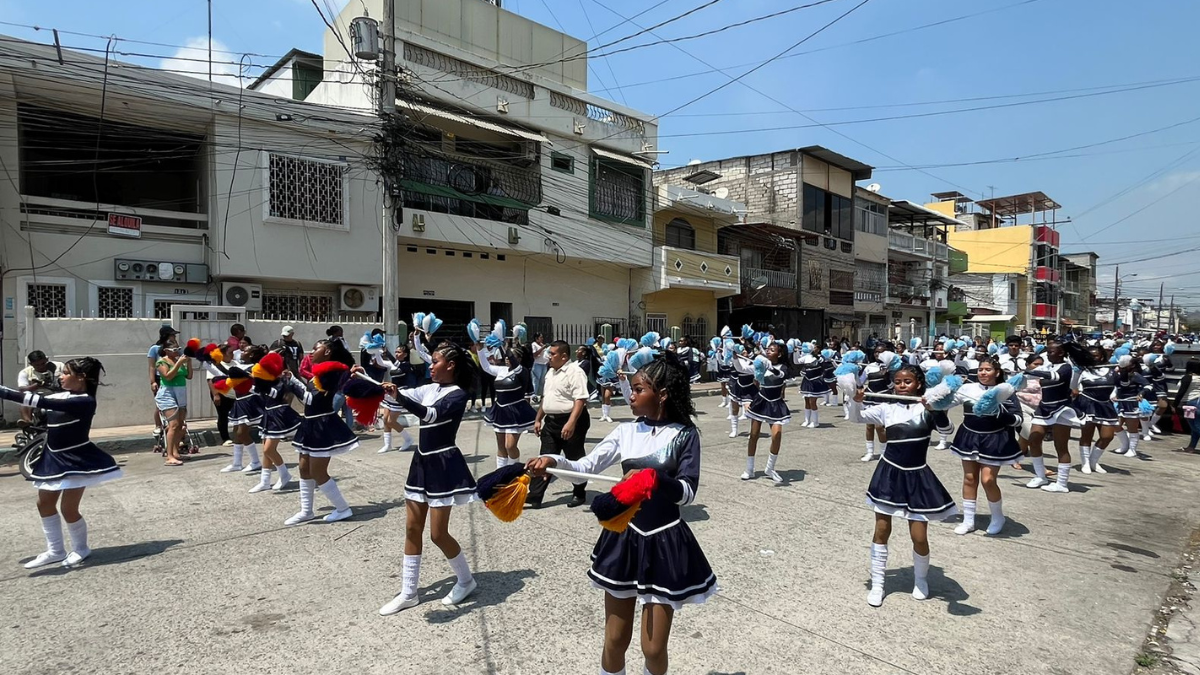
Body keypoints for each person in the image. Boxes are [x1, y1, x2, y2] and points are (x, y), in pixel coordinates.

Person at [525, 354, 716, 675]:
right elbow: (586, 467)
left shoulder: (685, 435)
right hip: (624, 539)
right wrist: (553, 462)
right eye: (632, 388)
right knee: (615, 640)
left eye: (639, 390)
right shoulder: (626, 432)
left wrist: (653, 479)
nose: (631, 395)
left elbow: (687, 492)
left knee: (653, 649)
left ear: (663, 394)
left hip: (664, 541)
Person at [377, 340, 480, 615]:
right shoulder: (430, 388)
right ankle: (409, 592)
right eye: (431, 362)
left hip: (444, 465)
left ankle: (466, 580)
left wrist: (400, 397)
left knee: (437, 534)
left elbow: (430, 414)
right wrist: (375, 387)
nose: (430, 366)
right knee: (412, 529)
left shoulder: (458, 394)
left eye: (435, 362)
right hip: (421, 461)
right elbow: (406, 394)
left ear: (451, 365)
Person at [850, 365, 956, 607]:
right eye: (898, 381)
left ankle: (921, 579)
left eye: (907, 381)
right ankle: (878, 584)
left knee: (919, 536)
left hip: (917, 476)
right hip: (888, 475)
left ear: (918, 383)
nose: (902, 386)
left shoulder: (927, 407)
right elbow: (857, 418)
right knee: (881, 530)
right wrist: (855, 400)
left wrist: (936, 409)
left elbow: (947, 431)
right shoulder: (887, 408)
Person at [2, 357, 119, 568]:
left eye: (65, 373)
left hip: (76, 459)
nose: (61, 376)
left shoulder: (84, 401)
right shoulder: (64, 394)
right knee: (44, 503)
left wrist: (4, 391)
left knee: (68, 509)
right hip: (52, 457)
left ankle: (81, 549)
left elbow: (40, 401)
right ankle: (55, 550)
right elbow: (35, 396)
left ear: (81, 377)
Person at [282, 342, 359, 525]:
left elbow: (311, 399)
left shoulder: (332, 372)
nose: (311, 352)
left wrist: (292, 381)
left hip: (322, 425)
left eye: (315, 348)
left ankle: (342, 508)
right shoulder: (322, 370)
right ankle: (306, 511)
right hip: (310, 424)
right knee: (303, 467)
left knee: (317, 470)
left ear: (327, 351)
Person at [946, 356, 1022, 535]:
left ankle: (997, 517)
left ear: (997, 372)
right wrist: (936, 397)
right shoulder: (967, 388)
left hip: (994, 439)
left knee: (988, 480)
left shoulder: (1005, 391)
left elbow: (1018, 419)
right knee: (969, 478)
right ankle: (969, 520)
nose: (983, 373)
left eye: (988, 369)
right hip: (969, 436)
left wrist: (999, 413)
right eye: (981, 369)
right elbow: (947, 403)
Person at [1025, 337, 1099, 493]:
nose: (1048, 353)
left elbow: (1054, 377)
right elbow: (1037, 376)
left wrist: (1031, 371)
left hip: (1061, 409)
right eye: (1047, 350)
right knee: (1033, 439)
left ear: (1061, 353)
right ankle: (1040, 476)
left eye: (1051, 351)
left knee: (1061, 446)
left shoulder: (1066, 367)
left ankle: (1062, 483)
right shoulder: (1048, 365)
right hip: (1044, 407)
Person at [527, 340, 592, 508]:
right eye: (549, 353)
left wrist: (571, 422)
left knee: (574, 457)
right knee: (544, 458)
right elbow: (546, 398)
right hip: (551, 422)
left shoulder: (575, 372)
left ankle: (579, 492)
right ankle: (535, 495)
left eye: (552, 354)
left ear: (564, 356)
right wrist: (538, 418)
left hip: (572, 421)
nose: (549, 357)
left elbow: (580, 399)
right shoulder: (550, 372)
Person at [472, 343, 536, 469]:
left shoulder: (522, 371)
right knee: (501, 446)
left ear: (519, 359)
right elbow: (486, 367)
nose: (506, 358)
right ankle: (501, 472)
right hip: (500, 411)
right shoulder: (501, 370)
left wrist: (505, 348)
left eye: (510, 356)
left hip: (515, 411)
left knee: (510, 446)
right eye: (506, 357)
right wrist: (479, 350)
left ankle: (513, 471)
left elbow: (517, 367)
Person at [741, 342, 790, 483]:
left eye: (772, 350)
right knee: (754, 435)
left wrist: (771, 368)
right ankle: (749, 469)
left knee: (777, 434)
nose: (768, 352)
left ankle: (770, 468)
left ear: (779, 354)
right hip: (761, 401)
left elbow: (781, 375)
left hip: (775, 403)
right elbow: (745, 369)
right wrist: (735, 357)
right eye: (768, 349)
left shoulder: (783, 367)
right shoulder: (761, 364)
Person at [249, 353, 297, 493]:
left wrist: (258, 382)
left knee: (268, 449)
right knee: (266, 451)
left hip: (279, 416)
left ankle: (284, 473)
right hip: (268, 415)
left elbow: (274, 394)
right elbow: (254, 390)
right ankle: (265, 481)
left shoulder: (281, 382)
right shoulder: (265, 382)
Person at [1073, 345, 1121, 474]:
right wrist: (1076, 373)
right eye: (1090, 356)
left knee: (1107, 436)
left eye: (1096, 356)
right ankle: (1085, 463)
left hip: (1105, 405)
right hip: (1087, 404)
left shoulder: (1112, 370)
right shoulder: (1082, 371)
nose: (1093, 358)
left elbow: (1121, 385)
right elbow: (1073, 388)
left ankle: (1094, 461)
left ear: (1101, 356)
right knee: (1087, 435)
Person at [154, 341, 192, 467]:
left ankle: (175, 451)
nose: (177, 351)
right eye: (175, 349)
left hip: (180, 393)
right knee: (174, 425)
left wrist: (188, 363)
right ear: (166, 350)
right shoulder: (161, 362)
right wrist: (179, 364)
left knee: (181, 425)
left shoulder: (178, 360)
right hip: (167, 394)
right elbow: (167, 376)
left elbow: (189, 376)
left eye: (178, 348)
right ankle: (169, 456)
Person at [147, 325, 179, 437]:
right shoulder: (155, 349)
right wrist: (152, 382)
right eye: (172, 335)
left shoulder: (175, 348)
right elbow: (151, 366)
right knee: (160, 405)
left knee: (175, 405)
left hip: (173, 377)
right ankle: (158, 425)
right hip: (159, 378)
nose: (174, 337)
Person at [17, 351, 63, 425]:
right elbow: (22, 388)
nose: (41, 367)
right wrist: (34, 386)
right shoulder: (25, 373)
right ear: (31, 364)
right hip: (37, 395)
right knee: (26, 396)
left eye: (43, 363)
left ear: (47, 359)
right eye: (37, 365)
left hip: (57, 393)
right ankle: (28, 423)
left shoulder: (59, 366)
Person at [325, 326, 357, 430]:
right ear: (337, 332)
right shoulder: (340, 343)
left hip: (335, 374)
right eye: (341, 331)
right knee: (344, 407)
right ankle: (346, 428)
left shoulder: (327, 343)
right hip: (342, 374)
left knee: (343, 405)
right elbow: (347, 354)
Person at [208, 347, 236, 447]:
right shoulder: (215, 365)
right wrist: (216, 394)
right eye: (230, 352)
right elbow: (210, 381)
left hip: (234, 395)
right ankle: (225, 438)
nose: (232, 354)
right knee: (223, 416)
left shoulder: (235, 364)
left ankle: (237, 436)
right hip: (221, 395)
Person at [1174, 359, 1200, 452]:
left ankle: (1191, 447)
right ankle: (1191, 447)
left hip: (1192, 403)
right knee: (1196, 426)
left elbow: (1181, 392)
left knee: (1195, 427)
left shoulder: (1187, 377)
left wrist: (1175, 405)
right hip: (1198, 402)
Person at [530, 333, 550, 399]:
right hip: (537, 364)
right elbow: (535, 354)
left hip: (544, 364)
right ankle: (534, 395)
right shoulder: (534, 344)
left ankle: (542, 395)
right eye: (540, 337)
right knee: (536, 381)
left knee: (542, 381)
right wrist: (543, 348)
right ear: (537, 338)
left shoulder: (541, 344)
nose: (542, 339)